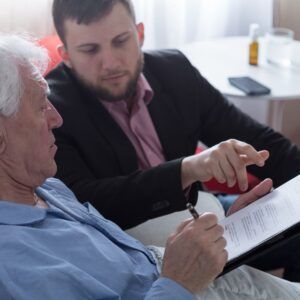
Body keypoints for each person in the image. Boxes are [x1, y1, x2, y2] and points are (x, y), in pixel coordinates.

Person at [2, 33, 300, 300]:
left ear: (139, 33)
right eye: (41, 106)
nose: (56, 118)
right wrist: (178, 281)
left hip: (185, 261)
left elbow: (131, 260)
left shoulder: (45, 187)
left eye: (120, 41)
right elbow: (105, 199)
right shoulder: (16, 264)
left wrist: (230, 235)